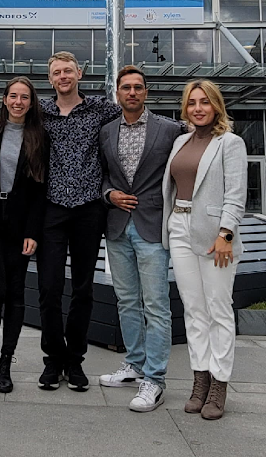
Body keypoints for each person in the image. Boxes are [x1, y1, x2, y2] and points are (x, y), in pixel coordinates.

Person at [97, 65, 186, 411]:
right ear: (117, 94)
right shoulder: (106, 132)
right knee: (127, 301)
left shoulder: (169, 129)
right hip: (117, 225)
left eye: (138, 88)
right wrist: (109, 195)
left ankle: (155, 379)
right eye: (126, 88)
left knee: (156, 306)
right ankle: (134, 365)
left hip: (151, 226)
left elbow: (202, 136)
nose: (132, 93)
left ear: (146, 92)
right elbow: (102, 176)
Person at [35, 51, 120, 391]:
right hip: (52, 208)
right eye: (57, 72)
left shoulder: (101, 108)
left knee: (83, 288)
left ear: (80, 73)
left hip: (88, 208)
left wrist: (191, 127)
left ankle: (75, 360)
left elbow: (138, 117)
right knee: (49, 287)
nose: (63, 76)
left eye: (68, 70)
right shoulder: (40, 112)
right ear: (50, 79)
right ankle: (53, 359)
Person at [163, 79, 247, 421]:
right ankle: (200, 380)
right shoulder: (181, 140)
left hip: (215, 235)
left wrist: (226, 233)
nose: (198, 108)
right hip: (179, 227)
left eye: (205, 102)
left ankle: (219, 385)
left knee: (218, 310)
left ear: (216, 106)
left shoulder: (230, 142)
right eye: (192, 102)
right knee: (194, 310)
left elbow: (236, 193)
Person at [0, 76, 48, 394]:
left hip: (19, 226)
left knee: (16, 295)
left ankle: (6, 363)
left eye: (25, 97)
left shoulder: (39, 136)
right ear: (4, 100)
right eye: (13, 96)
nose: (18, 102)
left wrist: (33, 230)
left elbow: (40, 190)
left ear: (31, 103)